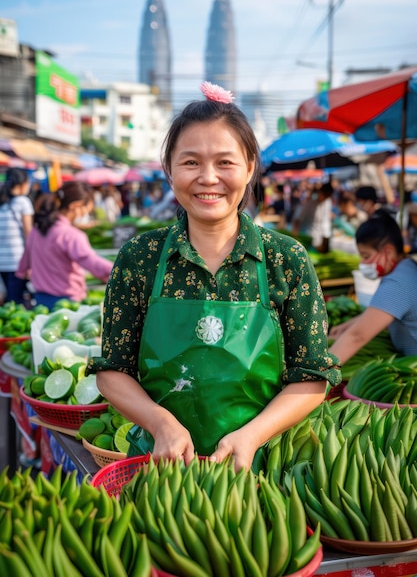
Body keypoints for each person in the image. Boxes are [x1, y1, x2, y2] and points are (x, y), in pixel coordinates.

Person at [87, 81, 341, 472]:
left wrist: (252, 436)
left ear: (250, 167)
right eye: (190, 162)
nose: (208, 178)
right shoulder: (140, 258)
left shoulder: (285, 259)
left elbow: (311, 376)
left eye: (225, 162)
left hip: (265, 467)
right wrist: (161, 423)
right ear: (170, 170)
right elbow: (112, 372)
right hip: (162, 466)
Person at [329, 210, 417, 361]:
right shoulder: (406, 268)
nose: (362, 263)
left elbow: (357, 337)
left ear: (388, 252)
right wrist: (348, 325)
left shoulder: (397, 283)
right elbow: (381, 312)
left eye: (366, 256)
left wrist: (319, 373)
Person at [16, 182, 114, 309]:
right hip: (67, 305)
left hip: (41, 301)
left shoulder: (37, 229)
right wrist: (119, 269)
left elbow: (24, 264)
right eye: (85, 211)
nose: (84, 215)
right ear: (75, 206)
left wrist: (23, 274)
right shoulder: (71, 235)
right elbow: (91, 262)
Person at [0, 168, 34, 303]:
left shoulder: (2, 203)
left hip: (2, 263)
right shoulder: (22, 202)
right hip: (17, 262)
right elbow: (29, 235)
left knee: (8, 303)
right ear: (23, 183)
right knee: (16, 302)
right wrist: (31, 263)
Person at [310, 182, 334, 253]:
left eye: (327, 196)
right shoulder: (311, 204)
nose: (325, 198)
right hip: (313, 236)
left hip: (324, 235)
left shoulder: (328, 202)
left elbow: (325, 220)